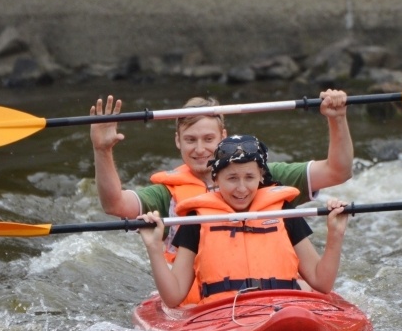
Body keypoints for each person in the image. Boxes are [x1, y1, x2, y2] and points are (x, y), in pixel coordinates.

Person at [90, 89, 352, 304]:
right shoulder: (167, 195)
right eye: (191, 140)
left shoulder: (263, 175)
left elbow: (337, 171)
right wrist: (102, 150)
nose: (201, 149)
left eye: (208, 139)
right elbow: (114, 204)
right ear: (178, 141)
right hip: (203, 306)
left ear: (223, 137)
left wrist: (336, 118)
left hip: (274, 298)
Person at [137, 135, 350, 308]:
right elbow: (174, 297)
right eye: (231, 178)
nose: (241, 188)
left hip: (284, 308)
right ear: (216, 179)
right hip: (223, 316)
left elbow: (321, 282)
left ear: (261, 177)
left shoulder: (283, 211)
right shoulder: (197, 219)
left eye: (249, 177)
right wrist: (154, 248)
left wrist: (335, 235)